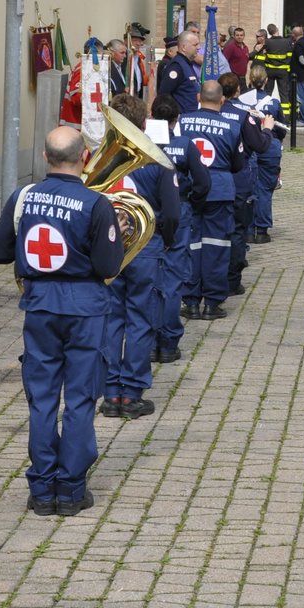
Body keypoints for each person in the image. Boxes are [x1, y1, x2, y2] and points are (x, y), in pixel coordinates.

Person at [0, 127, 124, 517]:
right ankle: (72, 489)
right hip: (86, 311)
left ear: (45, 158)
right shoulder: (97, 203)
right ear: (84, 157)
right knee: (80, 399)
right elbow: (109, 266)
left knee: (42, 399)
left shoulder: (23, 198)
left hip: (40, 308)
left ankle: (42, 490)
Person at [98, 94, 179, 421]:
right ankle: (131, 394)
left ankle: (110, 392)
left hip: (110, 247)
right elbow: (172, 214)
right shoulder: (158, 160)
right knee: (141, 320)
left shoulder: (99, 156)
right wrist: (169, 243)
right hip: (146, 247)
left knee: (112, 319)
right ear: (144, 122)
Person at [176, 81, 250, 321]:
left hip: (188, 190)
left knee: (191, 245)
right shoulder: (231, 125)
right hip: (219, 191)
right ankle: (212, 303)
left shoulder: (182, 122)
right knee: (217, 246)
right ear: (222, 101)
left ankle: (191, 301)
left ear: (198, 97)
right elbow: (239, 164)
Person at [219, 72, 273, 297]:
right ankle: (232, 282)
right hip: (239, 179)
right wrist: (267, 129)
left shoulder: (205, 113)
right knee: (238, 230)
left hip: (210, 181)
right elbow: (259, 145)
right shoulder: (244, 115)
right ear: (238, 91)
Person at [237, 65, 285, 244]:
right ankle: (262, 230)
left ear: (250, 79)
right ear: (266, 81)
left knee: (248, 188)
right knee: (265, 189)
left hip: (248, 146)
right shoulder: (273, 102)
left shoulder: (241, 101)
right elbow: (281, 128)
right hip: (269, 145)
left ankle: (248, 230)